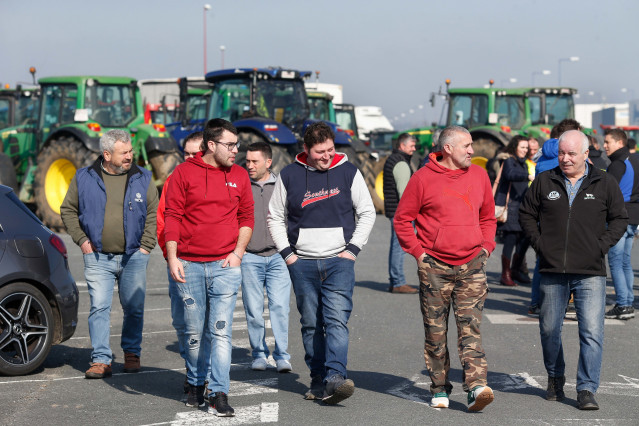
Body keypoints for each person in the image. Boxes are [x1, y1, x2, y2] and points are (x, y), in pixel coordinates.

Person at [267, 121, 375, 405]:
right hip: (302, 263)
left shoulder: (349, 172)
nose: (327, 156)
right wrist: (288, 255)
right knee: (311, 324)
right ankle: (317, 379)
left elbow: (367, 212)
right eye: (320, 152)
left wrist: (352, 250)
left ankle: (335, 378)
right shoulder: (289, 175)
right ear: (306, 150)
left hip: (339, 261)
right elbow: (275, 217)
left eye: (330, 149)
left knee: (336, 320)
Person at [519, 130, 628, 410]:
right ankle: (555, 378)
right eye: (561, 153)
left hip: (590, 270)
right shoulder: (545, 180)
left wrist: (600, 246)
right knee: (549, 329)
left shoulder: (605, 182)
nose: (565, 159)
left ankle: (586, 388)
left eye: (570, 154)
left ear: (585, 155)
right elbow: (526, 213)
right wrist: (540, 244)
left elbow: (619, 218)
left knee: (591, 331)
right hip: (552, 269)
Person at [394, 125, 497, 412]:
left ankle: (476, 387)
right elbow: (403, 220)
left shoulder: (479, 175)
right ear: (448, 148)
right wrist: (418, 253)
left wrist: (487, 246)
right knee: (435, 333)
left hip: (472, 266)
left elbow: (488, 216)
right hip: (435, 267)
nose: (472, 151)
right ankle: (440, 387)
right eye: (467, 146)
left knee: (470, 330)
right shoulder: (422, 178)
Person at [164, 118, 254, 416]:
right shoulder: (184, 173)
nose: (235, 150)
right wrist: (173, 257)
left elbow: (247, 218)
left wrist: (238, 253)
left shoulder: (239, 175)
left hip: (225, 266)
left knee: (221, 331)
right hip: (188, 265)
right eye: (230, 145)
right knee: (193, 331)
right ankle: (194, 382)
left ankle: (218, 392)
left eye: (236, 144)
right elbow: (173, 216)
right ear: (211, 145)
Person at [60, 129, 158, 379]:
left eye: (131, 151)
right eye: (124, 152)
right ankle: (101, 359)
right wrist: (81, 240)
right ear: (106, 154)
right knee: (99, 308)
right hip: (97, 257)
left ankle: (132, 353)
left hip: (134, 256)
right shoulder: (83, 177)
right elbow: (68, 210)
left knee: (134, 308)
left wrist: (146, 246)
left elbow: (154, 215)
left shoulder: (143, 178)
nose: (130, 156)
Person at [156, 131, 213, 402]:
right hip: (178, 263)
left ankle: (204, 378)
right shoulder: (174, 178)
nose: (189, 158)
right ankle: (194, 370)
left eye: (195, 153)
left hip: (208, 263)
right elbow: (164, 221)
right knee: (183, 324)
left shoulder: (216, 179)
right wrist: (171, 256)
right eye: (186, 153)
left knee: (207, 326)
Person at [242, 142, 293, 372]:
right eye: (248, 161)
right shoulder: (241, 185)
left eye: (255, 161)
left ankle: (282, 355)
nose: (249, 165)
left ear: (268, 162)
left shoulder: (282, 185)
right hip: (249, 257)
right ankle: (259, 354)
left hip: (278, 257)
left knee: (280, 307)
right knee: (253, 310)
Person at [603, 128, 639, 320]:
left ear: (619, 143)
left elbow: (609, 193)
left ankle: (623, 304)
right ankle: (628, 302)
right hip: (633, 217)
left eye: (608, 142)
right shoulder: (633, 160)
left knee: (616, 262)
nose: (604, 146)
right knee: (624, 261)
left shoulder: (618, 164)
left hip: (620, 217)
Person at [494, 135, 534, 286]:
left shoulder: (524, 163)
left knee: (525, 239)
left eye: (526, 148)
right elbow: (510, 175)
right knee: (510, 239)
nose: (525, 150)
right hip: (510, 207)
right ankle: (505, 274)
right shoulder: (509, 161)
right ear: (515, 147)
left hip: (523, 207)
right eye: (522, 147)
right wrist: (528, 176)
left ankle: (516, 270)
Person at [383, 132, 418, 293]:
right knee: (398, 247)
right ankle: (397, 282)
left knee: (396, 246)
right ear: (402, 146)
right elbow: (405, 193)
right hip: (401, 213)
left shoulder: (395, 159)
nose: (414, 148)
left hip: (395, 210)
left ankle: (395, 280)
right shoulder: (401, 163)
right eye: (411, 145)